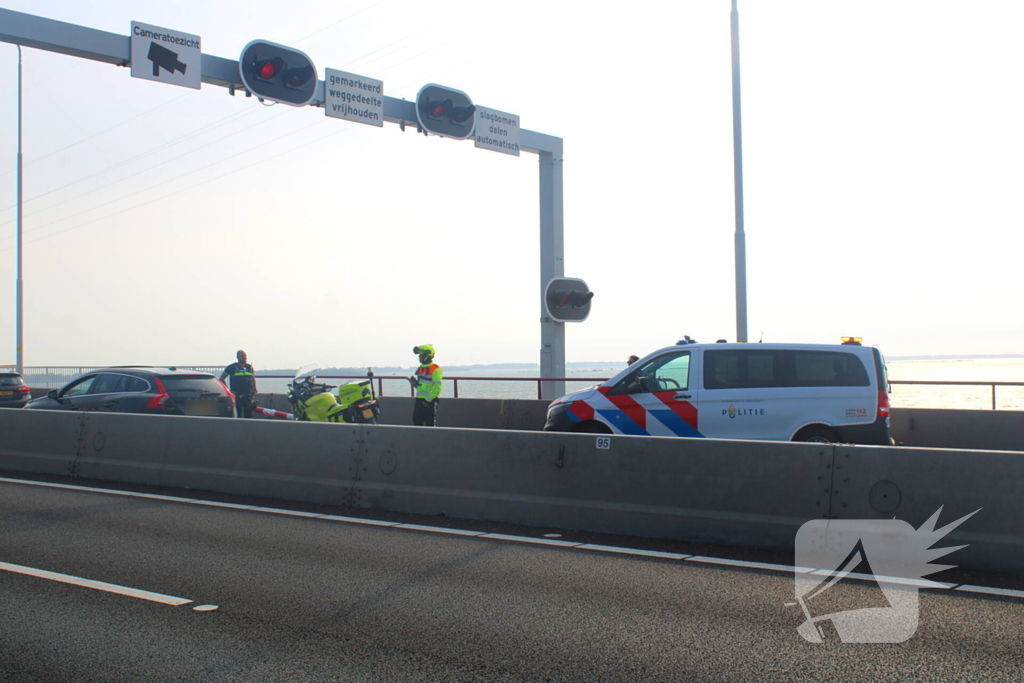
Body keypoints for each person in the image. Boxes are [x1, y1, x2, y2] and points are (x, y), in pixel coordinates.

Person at [408, 344, 442, 426]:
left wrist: (428, 400)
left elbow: (437, 387)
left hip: (429, 402)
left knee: (430, 424)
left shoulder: (435, 369)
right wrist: (415, 384)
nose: (419, 357)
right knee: (416, 423)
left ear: (428, 355)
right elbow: (422, 386)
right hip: (419, 400)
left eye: (421, 355)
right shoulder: (421, 368)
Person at [220, 350, 258, 418]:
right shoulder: (231, 367)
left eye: (245, 356)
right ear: (237, 357)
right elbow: (222, 378)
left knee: (249, 414)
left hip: (248, 395)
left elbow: (252, 378)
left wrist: (254, 389)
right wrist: (228, 390)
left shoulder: (249, 367)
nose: (244, 357)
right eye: (242, 356)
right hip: (237, 395)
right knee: (238, 413)